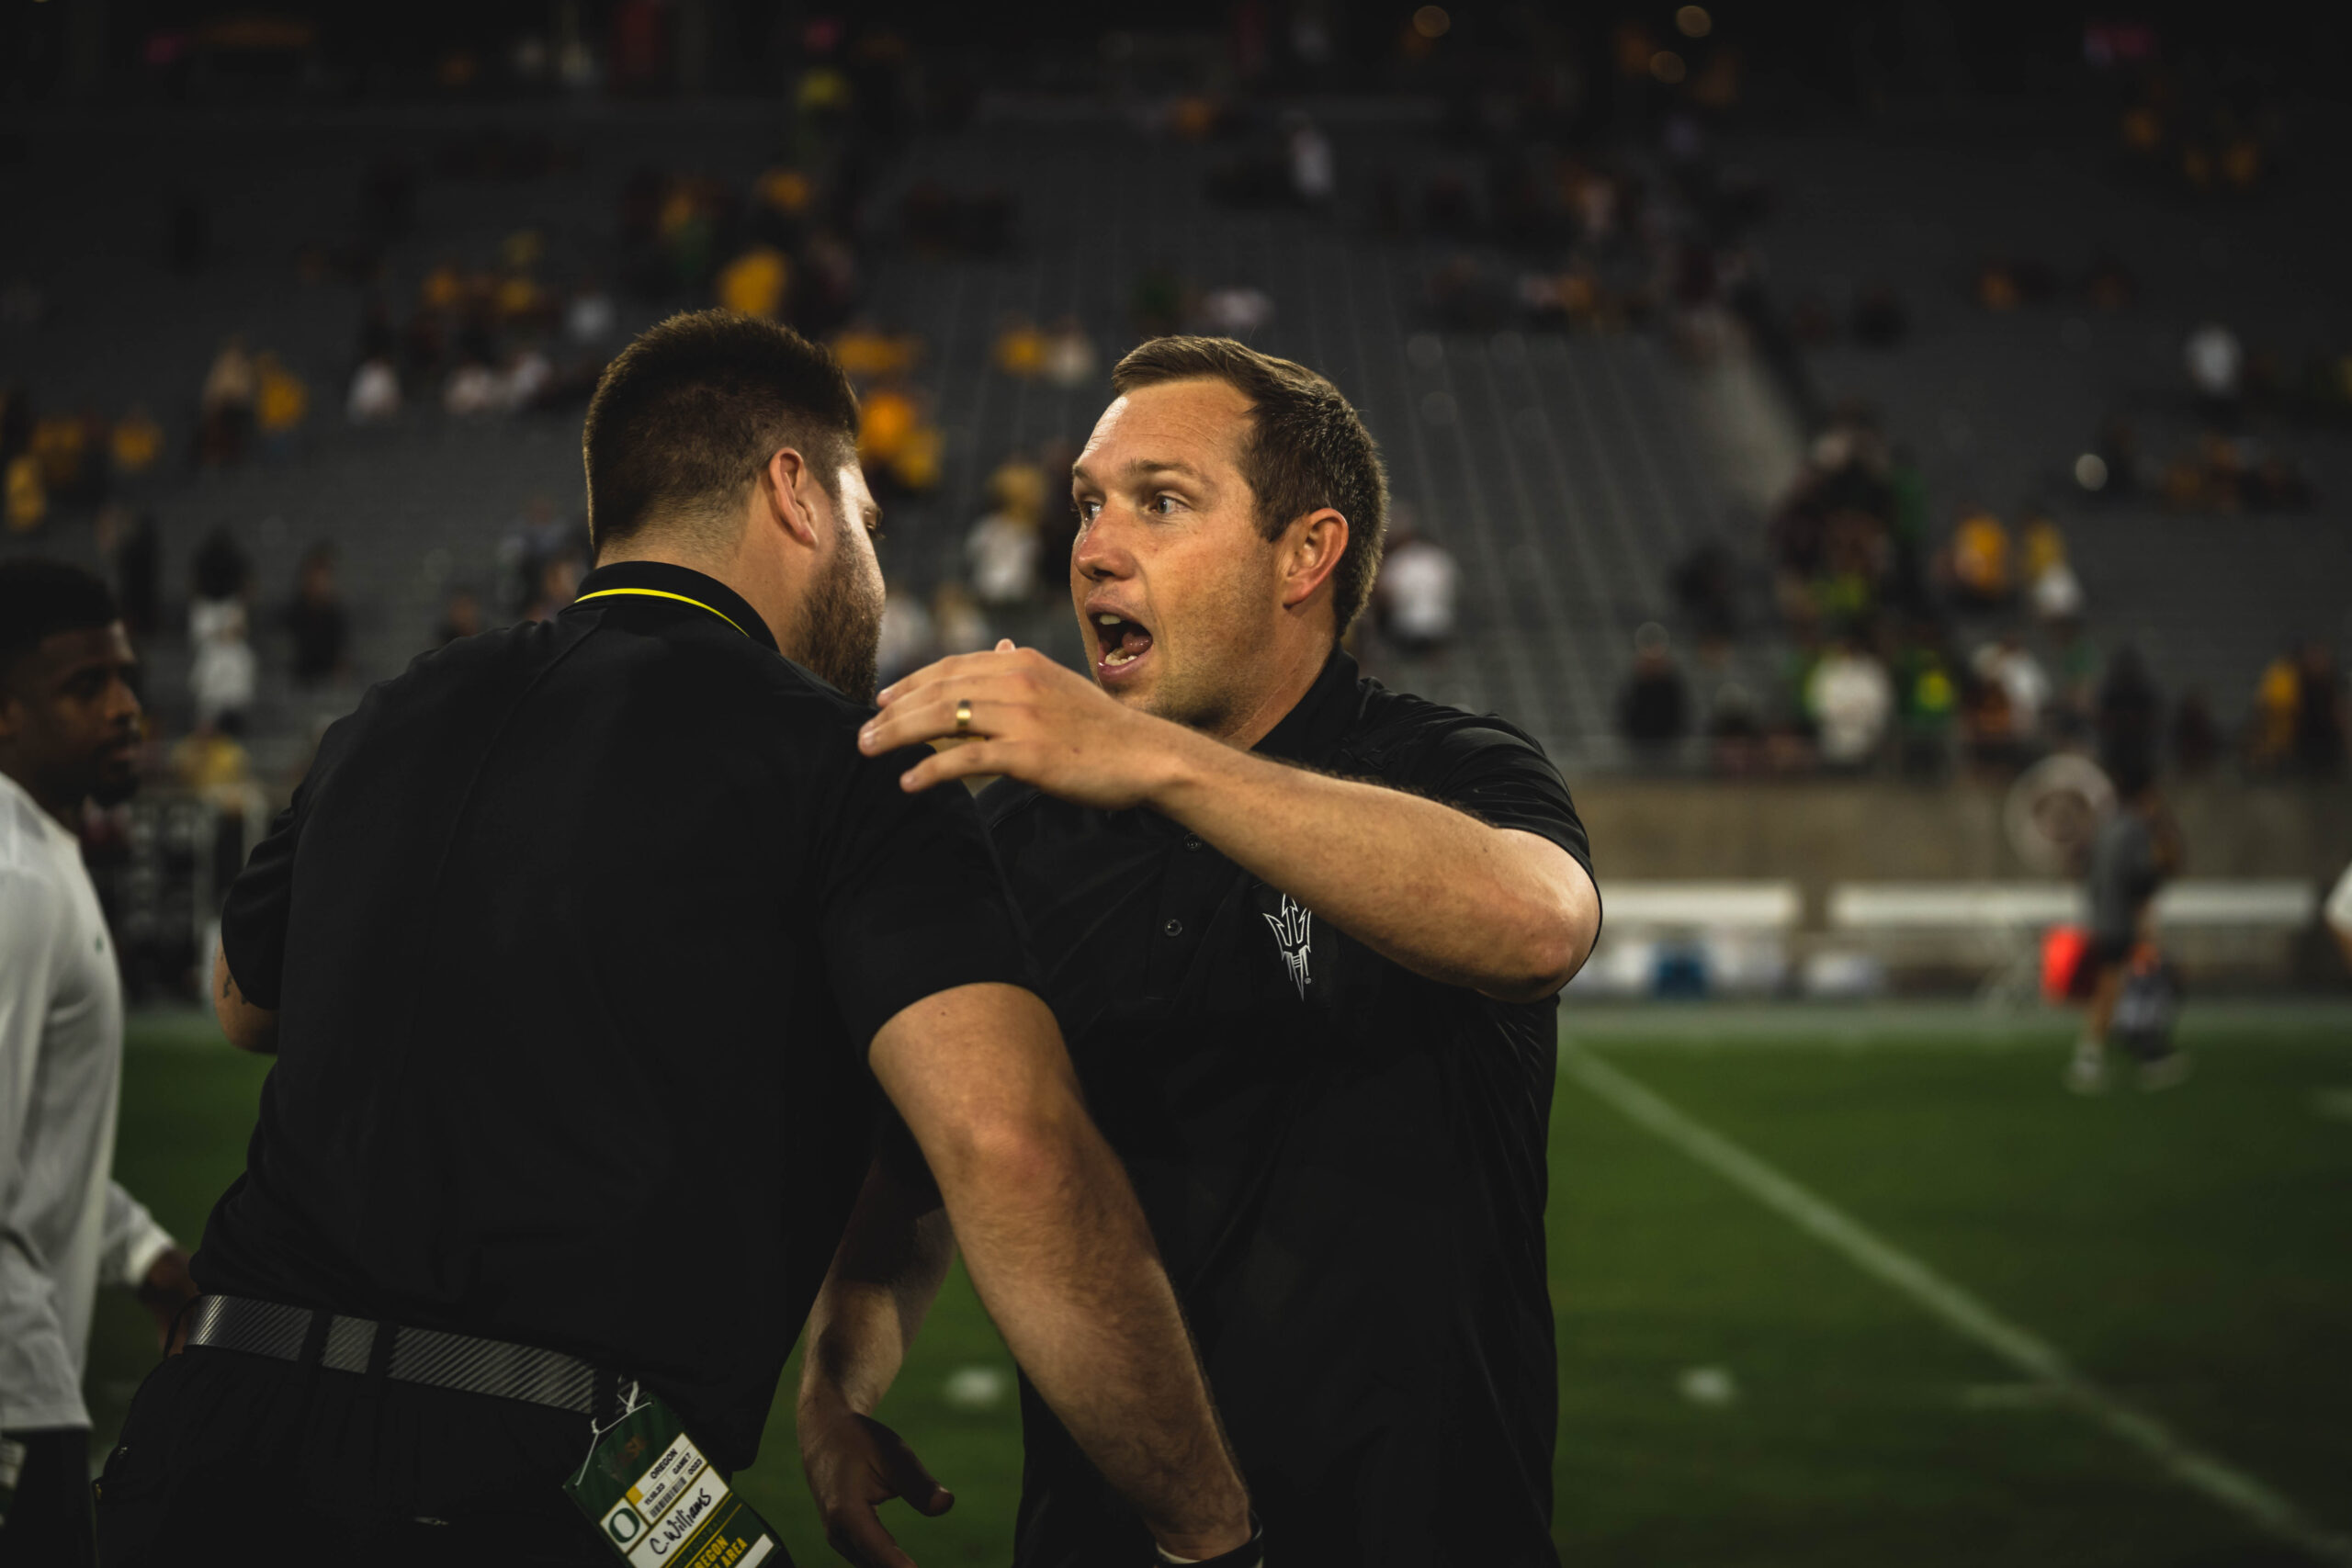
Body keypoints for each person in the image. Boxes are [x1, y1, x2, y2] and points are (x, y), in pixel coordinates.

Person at [96, 312, 1255, 1567]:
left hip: (204, 1446)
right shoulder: (846, 758)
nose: (873, 561)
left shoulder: (395, 708)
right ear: (794, 492)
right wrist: (1209, 1526)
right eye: (865, 518)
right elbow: (1008, 1141)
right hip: (549, 1476)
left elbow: (244, 999)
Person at [815, 336, 1600, 1568]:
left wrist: (1163, 767)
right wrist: (838, 1385)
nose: (1093, 545)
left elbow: (1538, 924)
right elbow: (914, 1174)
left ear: (1306, 553)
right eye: (1087, 503)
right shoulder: (1014, 826)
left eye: (1160, 500)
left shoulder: (1448, 766)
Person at [0, 562, 198, 1566]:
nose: (125, 709)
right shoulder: (14, 881)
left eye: (126, 678)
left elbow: (31, 1132)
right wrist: (27, 1415)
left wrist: (136, 1252)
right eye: (85, 688)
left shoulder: (40, 856)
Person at [2066, 758, 2188, 1095]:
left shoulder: (2107, 826)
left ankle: (2134, 1055)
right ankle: (2114, 1056)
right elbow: (2140, 876)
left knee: (2117, 988)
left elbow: (2087, 872)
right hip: (2122, 920)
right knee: (2128, 988)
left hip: (2103, 916)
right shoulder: (2135, 828)